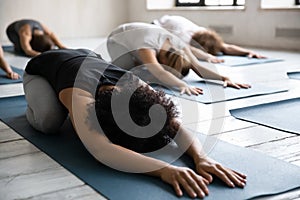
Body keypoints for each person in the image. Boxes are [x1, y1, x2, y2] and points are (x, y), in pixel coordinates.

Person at [23, 48, 246, 198]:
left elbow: (175, 125)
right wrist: (164, 170)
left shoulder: (137, 85)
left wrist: (202, 157)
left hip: (86, 56)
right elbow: (101, 149)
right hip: (40, 69)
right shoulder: (79, 93)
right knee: (50, 122)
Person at [107, 22, 250, 96]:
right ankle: (125, 62)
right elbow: (160, 72)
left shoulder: (179, 44)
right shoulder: (147, 45)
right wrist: (182, 85)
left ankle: (141, 63)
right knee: (127, 72)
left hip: (137, 40)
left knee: (148, 70)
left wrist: (224, 78)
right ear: (164, 62)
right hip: (116, 41)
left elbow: (198, 67)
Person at [153, 15, 266, 63]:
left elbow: (227, 47)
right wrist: (208, 57)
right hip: (155, 26)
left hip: (173, 21)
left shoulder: (203, 32)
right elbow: (189, 49)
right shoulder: (183, 36)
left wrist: (248, 52)